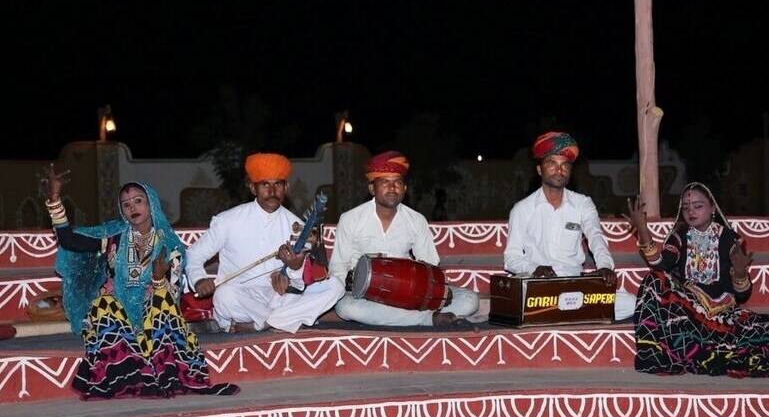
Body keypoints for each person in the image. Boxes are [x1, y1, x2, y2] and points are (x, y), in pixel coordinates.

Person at [43, 164, 237, 399]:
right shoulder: (114, 237)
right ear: (121, 211)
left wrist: (157, 279)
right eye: (126, 204)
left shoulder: (168, 244)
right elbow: (70, 241)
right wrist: (54, 200)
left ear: (150, 203)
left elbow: (171, 292)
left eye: (138, 201)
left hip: (153, 306)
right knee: (104, 305)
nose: (132, 207)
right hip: (118, 307)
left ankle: (156, 368)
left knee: (161, 309)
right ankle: (124, 376)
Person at [625, 182, 769, 377]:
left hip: (721, 310)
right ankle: (652, 352)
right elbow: (660, 264)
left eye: (698, 206)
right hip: (690, 306)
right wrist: (643, 231)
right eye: (686, 207)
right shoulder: (679, 237)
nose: (691, 211)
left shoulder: (731, 240)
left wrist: (739, 275)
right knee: (653, 279)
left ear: (712, 208)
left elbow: (743, 295)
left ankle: (697, 349)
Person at [186, 153, 344, 333]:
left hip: (279, 299)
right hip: (241, 297)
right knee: (223, 295)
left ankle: (262, 324)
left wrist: (292, 269)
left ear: (286, 187)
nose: (272, 191)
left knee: (335, 287)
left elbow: (300, 283)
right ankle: (284, 321)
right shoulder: (228, 221)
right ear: (253, 188)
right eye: (265, 184)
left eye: (278, 184)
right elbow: (194, 254)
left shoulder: (298, 227)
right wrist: (199, 279)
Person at [330, 151, 479, 326]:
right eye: (385, 182)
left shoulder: (416, 220)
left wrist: (433, 293)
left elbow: (430, 263)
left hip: (409, 293)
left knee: (470, 300)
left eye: (397, 182)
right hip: (365, 295)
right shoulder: (350, 219)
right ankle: (426, 319)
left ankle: (398, 317)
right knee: (347, 308)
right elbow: (338, 266)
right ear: (372, 188)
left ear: (405, 188)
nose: (392, 187)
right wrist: (349, 286)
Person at [504, 131, 636, 321]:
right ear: (540, 170)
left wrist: (605, 266)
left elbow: (596, 237)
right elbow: (511, 258)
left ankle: (563, 312)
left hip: (573, 285)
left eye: (565, 165)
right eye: (552, 164)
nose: (560, 170)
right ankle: (573, 312)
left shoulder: (583, 204)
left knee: (629, 303)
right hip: (539, 288)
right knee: (523, 302)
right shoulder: (522, 209)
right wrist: (535, 268)